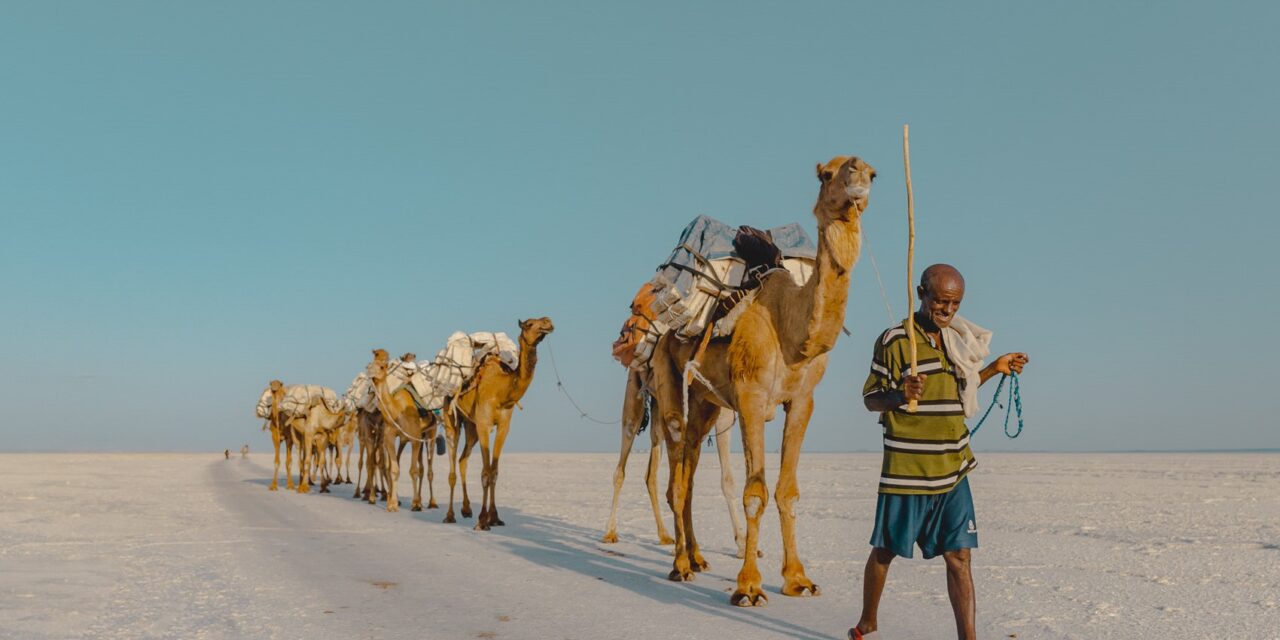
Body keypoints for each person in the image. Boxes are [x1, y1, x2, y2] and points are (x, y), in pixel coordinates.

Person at [850, 264, 1028, 640]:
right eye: (940, 301)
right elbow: (870, 399)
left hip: (953, 466)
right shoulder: (895, 341)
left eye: (955, 303)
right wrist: (900, 395)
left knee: (960, 556)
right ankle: (867, 623)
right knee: (885, 550)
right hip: (908, 469)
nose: (948, 310)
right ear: (921, 293)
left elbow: (961, 391)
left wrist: (994, 368)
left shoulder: (957, 339)